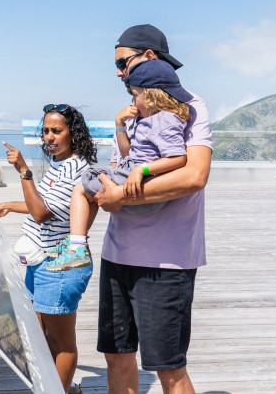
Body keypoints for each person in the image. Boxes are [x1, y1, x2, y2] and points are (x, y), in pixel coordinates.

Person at [93, 24, 213, 394]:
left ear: (148, 56)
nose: (117, 71)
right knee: (117, 357)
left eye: (122, 62)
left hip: (167, 262)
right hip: (117, 255)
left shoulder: (190, 106)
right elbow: (124, 167)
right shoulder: (133, 112)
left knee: (169, 368)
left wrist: (121, 198)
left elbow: (194, 175)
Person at [0, 104, 97, 393]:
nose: (49, 137)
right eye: (46, 131)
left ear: (73, 134)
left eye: (56, 131)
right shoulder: (60, 165)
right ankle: (61, 387)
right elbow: (43, 206)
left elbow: (42, 214)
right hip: (42, 263)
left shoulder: (76, 169)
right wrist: (10, 206)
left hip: (59, 264)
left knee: (62, 343)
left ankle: (59, 389)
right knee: (41, 335)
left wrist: (24, 171)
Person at [46, 59, 192, 272]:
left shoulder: (165, 120)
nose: (132, 101)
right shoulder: (148, 120)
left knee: (81, 187)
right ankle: (76, 243)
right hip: (132, 172)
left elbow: (178, 158)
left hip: (141, 180)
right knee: (88, 187)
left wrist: (141, 170)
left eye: (134, 95)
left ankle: (76, 246)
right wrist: (120, 125)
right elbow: (127, 154)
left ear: (151, 97)